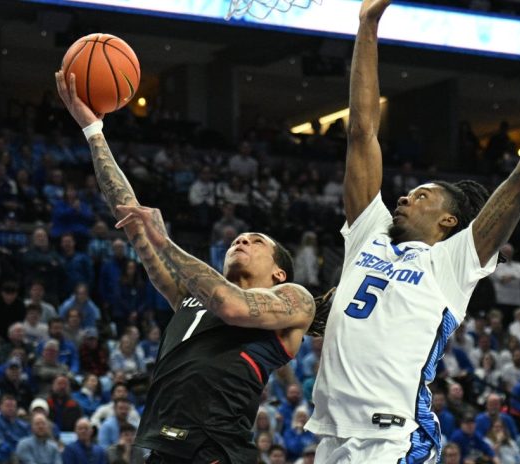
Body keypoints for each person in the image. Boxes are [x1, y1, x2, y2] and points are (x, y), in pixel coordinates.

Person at [305, 2, 520, 462]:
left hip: (393, 439)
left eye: (421, 195)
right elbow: (362, 132)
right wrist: (367, 24)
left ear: (449, 220)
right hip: (333, 436)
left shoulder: (452, 263)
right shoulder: (370, 235)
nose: (403, 198)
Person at [55, 70, 325, 464]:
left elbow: (231, 306)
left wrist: (165, 240)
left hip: (217, 451)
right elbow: (131, 217)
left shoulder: (293, 300)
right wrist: (93, 131)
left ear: (279, 272)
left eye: (255, 240)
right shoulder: (190, 296)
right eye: (238, 238)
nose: (241, 240)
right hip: (165, 447)